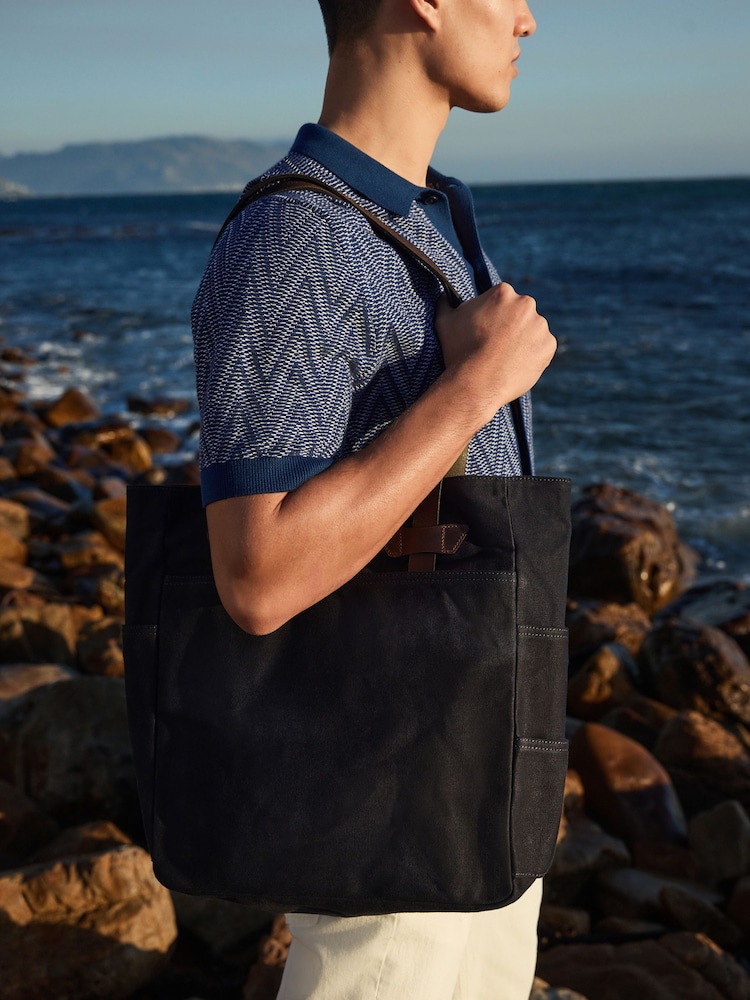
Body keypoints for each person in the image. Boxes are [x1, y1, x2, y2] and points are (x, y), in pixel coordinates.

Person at [191, 1, 556, 997]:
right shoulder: (292, 237)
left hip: (475, 812)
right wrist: (475, 388)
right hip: (385, 831)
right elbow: (257, 575)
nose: (528, 17)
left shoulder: (426, 223)